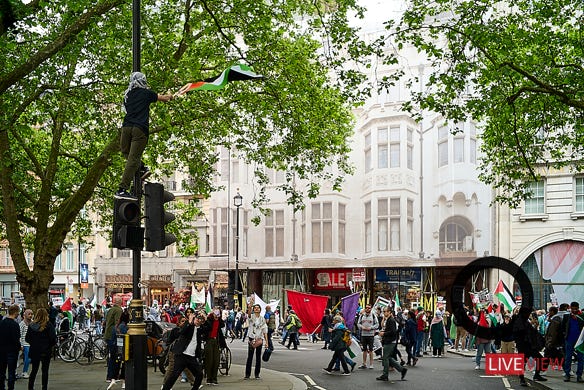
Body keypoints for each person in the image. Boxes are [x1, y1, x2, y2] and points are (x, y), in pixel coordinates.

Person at [115, 71, 174, 199]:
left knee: (125, 152)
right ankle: (122, 189)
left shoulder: (128, 94)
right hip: (140, 129)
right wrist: (170, 96)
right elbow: (163, 98)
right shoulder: (147, 93)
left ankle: (141, 167)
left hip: (126, 127)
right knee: (132, 159)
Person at [161, 312, 205, 390]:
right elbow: (182, 331)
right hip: (181, 355)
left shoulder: (199, 329)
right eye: (196, 319)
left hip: (191, 357)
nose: (198, 321)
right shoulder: (187, 327)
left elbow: (208, 327)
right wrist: (189, 321)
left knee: (199, 374)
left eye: (199, 320)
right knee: (174, 375)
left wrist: (205, 318)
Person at [513, 306, 548, 386]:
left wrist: (534, 326)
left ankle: (537, 375)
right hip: (523, 346)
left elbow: (532, 333)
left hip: (531, 345)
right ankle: (522, 379)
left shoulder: (528, 321)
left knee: (540, 359)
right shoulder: (519, 321)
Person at [26, 308, 57, 390]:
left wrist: (34, 344)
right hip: (45, 351)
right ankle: (44, 387)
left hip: (34, 351)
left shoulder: (31, 326)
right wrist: (49, 345)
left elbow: (27, 338)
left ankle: (30, 387)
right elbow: (53, 339)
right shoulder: (48, 325)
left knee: (34, 370)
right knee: (45, 371)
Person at [376, 308, 407, 381]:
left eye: (385, 311)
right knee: (388, 357)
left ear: (389, 312)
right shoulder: (389, 319)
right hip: (389, 341)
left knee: (385, 358)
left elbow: (393, 332)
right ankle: (402, 369)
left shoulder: (391, 320)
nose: (384, 313)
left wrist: (384, 333)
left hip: (390, 341)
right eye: (383, 311)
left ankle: (385, 375)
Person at [163, 315, 195, 386]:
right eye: (182, 321)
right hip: (174, 351)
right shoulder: (176, 330)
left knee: (186, 367)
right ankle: (165, 384)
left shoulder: (186, 329)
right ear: (179, 323)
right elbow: (179, 334)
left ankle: (193, 382)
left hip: (182, 351)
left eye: (185, 321)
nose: (184, 323)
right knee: (171, 367)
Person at [201, 309, 227, 386]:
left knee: (216, 361)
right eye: (215, 312)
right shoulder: (209, 320)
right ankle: (209, 378)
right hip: (209, 341)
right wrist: (208, 318)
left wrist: (218, 318)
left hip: (217, 341)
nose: (216, 314)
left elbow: (222, 325)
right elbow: (208, 327)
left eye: (218, 313)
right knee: (209, 360)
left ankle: (214, 378)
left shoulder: (219, 321)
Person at [560, 301, 584, 382]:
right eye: (572, 308)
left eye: (575, 308)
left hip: (580, 341)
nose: (574, 310)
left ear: (578, 308)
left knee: (581, 358)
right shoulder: (567, 316)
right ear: (570, 308)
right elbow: (562, 327)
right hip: (569, 339)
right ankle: (567, 374)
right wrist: (565, 336)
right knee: (568, 357)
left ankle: (579, 375)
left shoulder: (582, 316)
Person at [245, 304, 269, 379]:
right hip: (252, 338)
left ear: (260, 310)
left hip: (259, 339)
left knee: (258, 357)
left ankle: (257, 374)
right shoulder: (251, 317)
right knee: (250, 357)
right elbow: (248, 315)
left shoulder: (262, 319)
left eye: (258, 308)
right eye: (255, 308)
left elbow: (265, 331)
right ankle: (247, 374)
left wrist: (267, 342)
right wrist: (249, 307)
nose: (256, 309)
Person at [0, 304, 21, 390]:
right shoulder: (15, 325)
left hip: (1, 350)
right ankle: (10, 388)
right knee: (11, 371)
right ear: (15, 312)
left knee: (2, 371)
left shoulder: (2, 323)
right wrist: (19, 347)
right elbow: (16, 339)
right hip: (12, 351)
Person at [104, 297, 123, 383]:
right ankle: (112, 376)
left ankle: (112, 376)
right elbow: (117, 323)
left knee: (112, 356)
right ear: (121, 302)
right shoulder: (119, 310)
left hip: (108, 335)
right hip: (113, 336)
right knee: (116, 356)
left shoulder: (110, 310)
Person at [357, 304, 378, 369]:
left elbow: (377, 324)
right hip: (363, 334)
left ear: (371, 309)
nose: (367, 309)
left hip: (371, 335)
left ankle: (371, 364)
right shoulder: (362, 315)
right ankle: (364, 363)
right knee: (364, 350)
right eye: (366, 308)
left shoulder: (373, 315)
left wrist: (371, 328)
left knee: (371, 350)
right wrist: (361, 327)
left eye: (369, 308)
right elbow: (358, 323)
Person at [19, 309, 33, 379]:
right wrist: (21, 345)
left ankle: (25, 371)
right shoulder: (22, 323)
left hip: (31, 344)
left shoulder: (32, 322)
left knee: (29, 359)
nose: (30, 315)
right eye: (29, 314)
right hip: (25, 344)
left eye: (31, 314)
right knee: (28, 358)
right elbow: (20, 334)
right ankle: (24, 372)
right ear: (25, 315)